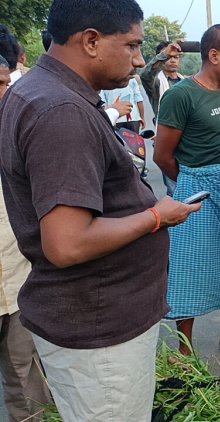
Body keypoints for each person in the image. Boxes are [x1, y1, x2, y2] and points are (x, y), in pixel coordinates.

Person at [0, 1, 201, 420]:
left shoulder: (46, 92)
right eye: (132, 45)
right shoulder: (61, 112)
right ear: (90, 40)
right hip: (100, 332)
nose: (141, 60)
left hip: (95, 320)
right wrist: (158, 216)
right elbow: (67, 243)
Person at [154, 24, 220, 362]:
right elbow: (162, 156)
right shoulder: (181, 95)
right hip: (196, 192)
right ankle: (183, 350)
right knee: (191, 269)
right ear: (214, 56)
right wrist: (191, 183)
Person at [0, 54, 52, 422]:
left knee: (27, 381)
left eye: (4, 84)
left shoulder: (17, 132)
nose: (3, 95)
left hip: (17, 280)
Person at [140, 41, 185, 196]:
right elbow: (145, 75)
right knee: (174, 188)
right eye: (169, 57)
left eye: (176, 57)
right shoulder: (156, 82)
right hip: (167, 140)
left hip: (187, 140)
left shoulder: (186, 82)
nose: (173, 60)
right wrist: (165, 53)